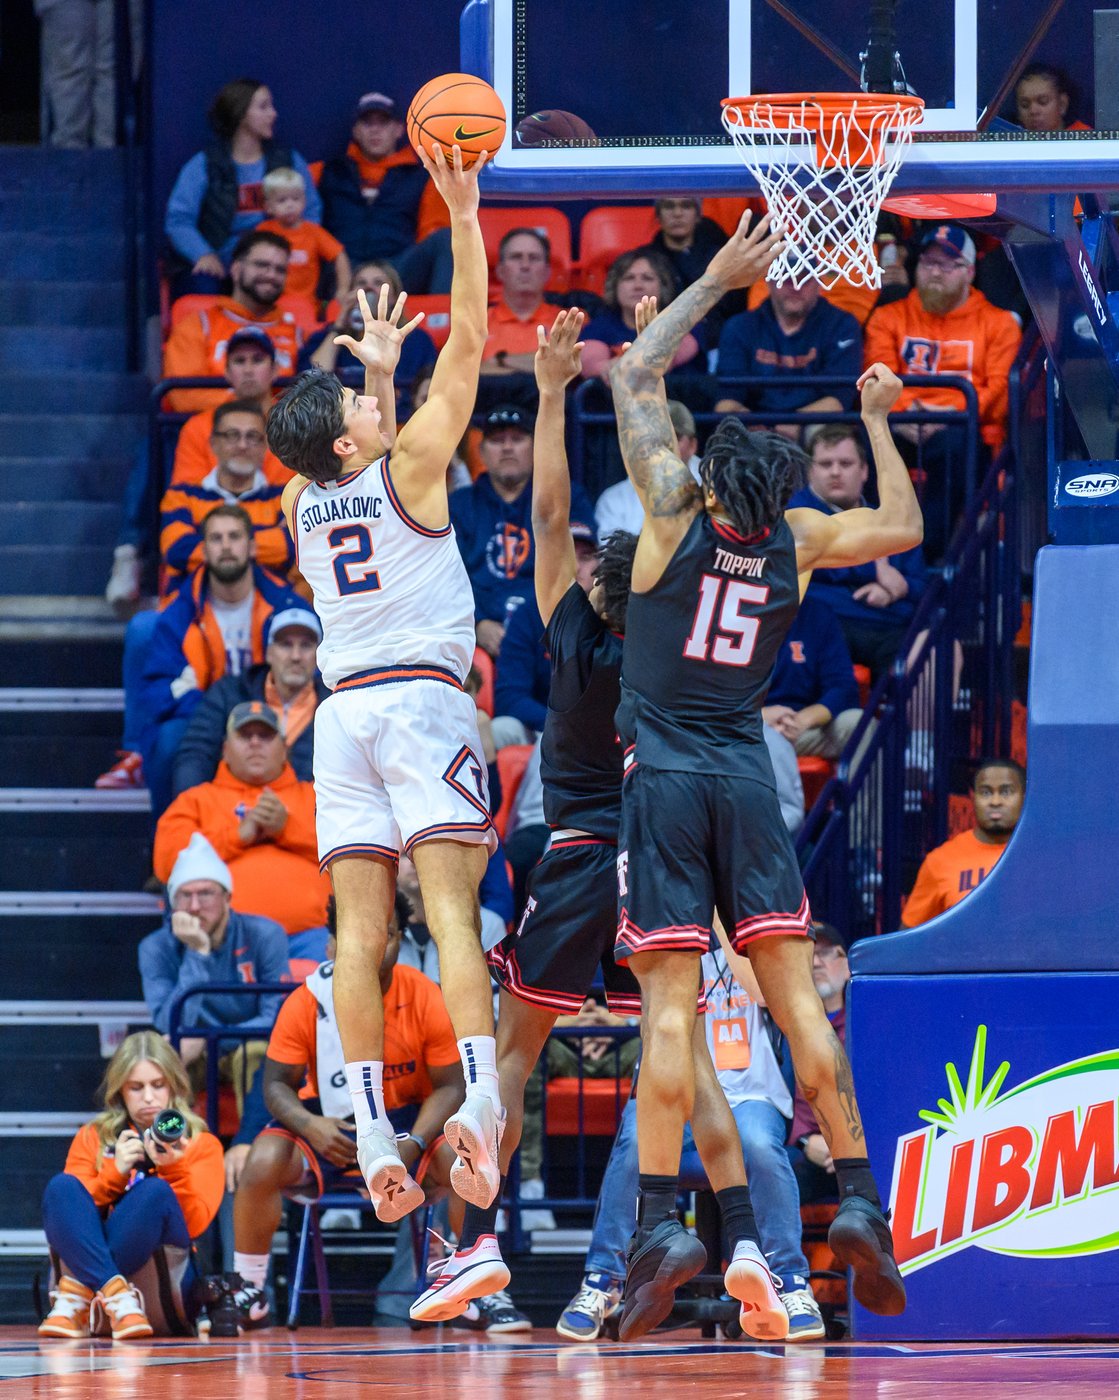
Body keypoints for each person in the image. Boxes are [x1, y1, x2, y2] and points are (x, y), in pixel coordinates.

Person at [606, 213, 925, 1337]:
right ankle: (860, 1198)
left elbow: (633, 368)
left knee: (670, 1006)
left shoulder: (665, 518)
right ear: (779, 485)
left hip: (668, 781)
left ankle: (657, 1219)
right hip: (749, 774)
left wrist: (717, 285)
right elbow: (900, 520)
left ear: (699, 472)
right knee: (795, 998)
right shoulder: (793, 536)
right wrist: (879, 420)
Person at [264, 144, 507, 1227]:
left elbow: (349, 452)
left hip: (341, 712)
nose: (375, 410)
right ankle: (487, 1101)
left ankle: (368, 1132)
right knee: (451, 913)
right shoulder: (410, 467)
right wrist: (461, 210)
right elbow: (473, 335)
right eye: (361, 409)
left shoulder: (294, 505)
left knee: (357, 937)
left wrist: (371, 377)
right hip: (420, 700)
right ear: (353, 435)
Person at [226, 892, 476, 1329]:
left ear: (401, 940)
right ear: (332, 944)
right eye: (362, 933)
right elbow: (275, 1085)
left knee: (462, 1159)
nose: (376, 944)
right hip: (330, 1126)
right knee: (262, 1159)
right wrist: (310, 1125)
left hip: (408, 1121)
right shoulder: (306, 1000)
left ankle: (470, 1284)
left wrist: (416, 1142)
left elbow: (452, 1085)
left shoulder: (425, 995)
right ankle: (251, 1289)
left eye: (389, 933)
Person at [558, 934, 824, 1343]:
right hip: (675, 1096)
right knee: (634, 1145)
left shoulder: (753, 932)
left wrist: (721, 917)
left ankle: (790, 1282)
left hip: (750, 1094)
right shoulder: (666, 930)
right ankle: (601, 1282)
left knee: (760, 1148)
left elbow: (764, 992)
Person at [37, 1033, 223, 1340]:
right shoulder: (93, 1136)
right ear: (120, 1091)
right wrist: (115, 1173)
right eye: (136, 1088)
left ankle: (78, 1294)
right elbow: (69, 1215)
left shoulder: (202, 1143)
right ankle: (117, 1295)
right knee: (61, 1187)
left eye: (158, 1085)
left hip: (164, 1282)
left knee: (155, 1193)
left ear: (174, 1086)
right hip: (120, 1293)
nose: (148, 1097)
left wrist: (173, 1167)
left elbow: (194, 1225)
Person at [130, 505, 305, 816]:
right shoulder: (179, 614)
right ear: (204, 549)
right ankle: (174, 844)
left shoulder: (284, 605)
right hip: (201, 713)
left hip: (275, 711)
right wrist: (213, 715)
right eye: (216, 538)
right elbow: (158, 691)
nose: (226, 546)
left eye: (235, 537)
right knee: (169, 740)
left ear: (252, 547)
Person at [105, 326, 292, 615]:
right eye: (239, 361)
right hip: (198, 594)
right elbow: (176, 545)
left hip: (272, 594)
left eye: (257, 360)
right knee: (144, 630)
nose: (241, 445)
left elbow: (292, 544)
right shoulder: (195, 445)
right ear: (214, 443)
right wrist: (249, 546)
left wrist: (218, 547)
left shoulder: (294, 435)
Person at [863, 225, 1022, 560]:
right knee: (862, 441)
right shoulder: (887, 317)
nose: (935, 272)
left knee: (956, 450)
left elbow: (998, 395)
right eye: (928, 263)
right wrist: (908, 412)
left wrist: (945, 414)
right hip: (902, 423)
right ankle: (866, 547)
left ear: (969, 271)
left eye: (947, 264)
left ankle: (925, 557)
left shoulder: (999, 324)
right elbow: (877, 375)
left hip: (964, 431)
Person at [153, 702, 331, 962]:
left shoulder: (318, 797)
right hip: (223, 942)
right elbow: (169, 863)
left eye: (266, 736)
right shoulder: (196, 801)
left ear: (285, 750)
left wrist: (287, 829)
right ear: (225, 749)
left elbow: (351, 855)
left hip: (314, 939)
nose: (255, 743)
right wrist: (239, 835)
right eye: (245, 735)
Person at [138, 833, 290, 1100]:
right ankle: (170, 1140)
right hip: (194, 1052)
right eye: (185, 896)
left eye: (206, 893)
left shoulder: (265, 935)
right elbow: (166, 1021)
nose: (195, 907)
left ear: (227, 898)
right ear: (173, 904)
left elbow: (275, 1018)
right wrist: (197, 953)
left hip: (249, 1045)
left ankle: (253, 1141)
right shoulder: (155, 947)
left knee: (253, 1053)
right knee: (161, 1058)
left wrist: (211, 1038)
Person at [450, 403, 596, 660]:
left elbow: (581, 566)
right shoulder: (458, 505)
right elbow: (446, 576)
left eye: (517, 439)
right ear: (481, 452)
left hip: (550, 630)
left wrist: (533, 625)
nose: (507, 447)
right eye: (497, 440)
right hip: (475, 639)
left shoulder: (564, 497)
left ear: (535, 448)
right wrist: (476, 622)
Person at [789, 425, 926, 681]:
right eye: (825, 464)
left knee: (928, 644)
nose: (836, 472)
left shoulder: (889, 522)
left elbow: (921, 586)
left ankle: (912, 723)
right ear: (810, 471)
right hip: (821, 628)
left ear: (864, 471)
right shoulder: (797, 513)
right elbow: (808, 582)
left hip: (886, 627)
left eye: (846, 463)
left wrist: (898, 588)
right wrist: (876, 569)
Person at [164, 78, 321, 294]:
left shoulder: (288, 160)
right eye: (263, 107)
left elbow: (311, 211)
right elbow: (179, 220)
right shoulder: (206, 163)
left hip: (275, 260)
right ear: (241, 114)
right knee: (201, 286)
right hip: (223, 260)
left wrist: (296, 249)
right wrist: (202, 254)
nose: (273, 114)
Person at [173, 609, 326, 796]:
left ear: (319, 655)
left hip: (310, 816)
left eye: (306, 646)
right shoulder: (228, 692)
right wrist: (195, 813)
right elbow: (196, 754)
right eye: (285, 645)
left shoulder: (336, 703)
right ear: (269, 653)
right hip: (233, 811)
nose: (296, 656)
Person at [318, 91, 453, 292]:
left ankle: (442, 320)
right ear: (355, 130)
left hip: (397, 269)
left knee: (447, 238)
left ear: (399, 130)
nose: (375, 130)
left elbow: (431, 233)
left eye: (383, 122)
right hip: (343, 267)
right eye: (367, 123)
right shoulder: (327, 171)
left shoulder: (424, 177)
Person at [162, 230, 304, 413]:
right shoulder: (198, 325)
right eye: (262, 265)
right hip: (209, 436)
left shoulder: (297, 334)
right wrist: (257, 404)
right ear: (236, 270)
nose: (271, 275)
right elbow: (183, 397)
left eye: (280, 270)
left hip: (279, 438)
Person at [158, 400, 291, 593]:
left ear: (265, 447)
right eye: (232, 436)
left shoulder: (286, 500)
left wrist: (209, 548)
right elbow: (176, 550)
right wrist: (262, 545)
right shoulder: (180, 496)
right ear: (213, 444)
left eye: (253, 437)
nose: (243, 445)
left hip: (268, 609)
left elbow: (290, 548)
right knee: (143, 624)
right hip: (192, 611)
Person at [491, 523, 598, 748]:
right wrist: (562, 725)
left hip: (601, 731)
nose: (577, 566)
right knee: (500, 729)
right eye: (567, 555)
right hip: (543, 727)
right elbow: (509, 697)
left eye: (586, 557)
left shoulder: (615, 614)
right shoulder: (528, 614)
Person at [714, 277, 862, 436]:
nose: (795, 287)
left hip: (813, 425)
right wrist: (754, 426)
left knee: (828, 434)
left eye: (804, 280)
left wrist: (794, 422)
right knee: (729, 427)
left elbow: (839, 399)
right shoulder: (739, 326)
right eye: (786, 280)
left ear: (818, 283)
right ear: (769, 283)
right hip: (755, 427)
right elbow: (727, 399)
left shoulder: (842, 324)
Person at [901, 759, 1025, 926]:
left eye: (1006, 792)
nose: (995, 801)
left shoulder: (1045, 859)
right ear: (973, 797)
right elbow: (908, 937)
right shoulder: (940, 862)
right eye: (986, 792)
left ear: (1024, 796)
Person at [303, 260, 437, 408]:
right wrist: (339, 325)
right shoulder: (326, 337)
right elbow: (312, 384)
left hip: (399, 422)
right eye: (361, 283)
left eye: (378, 283)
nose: (368, 288)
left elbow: (426, 394)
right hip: (338, 423)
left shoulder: (417, 340)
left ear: (393, 298)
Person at [786, 923, 849, 1204]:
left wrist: (850, 1145)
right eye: (808, 954)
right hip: (807, 1149)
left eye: (825, 952)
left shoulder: (872, 1022)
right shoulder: (787, 1025)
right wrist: (805, 1141)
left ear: (847, 965)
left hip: (864, 1147)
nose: (815, 961)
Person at [763, 594, 862, 763]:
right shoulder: (732, 612)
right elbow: (713, 696)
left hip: (801, 727)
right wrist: (761, 716)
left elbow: (843, 687)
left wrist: (803, 720)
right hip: (749, 728)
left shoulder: (817, 613)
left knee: (857, 723)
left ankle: (865, 791)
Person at [580, 248, 700, 381]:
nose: (638, 286)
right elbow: (590, 363)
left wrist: (625, 366)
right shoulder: (599, 326)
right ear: (615, 287)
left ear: (663, 286)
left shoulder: (684, 323)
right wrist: (606, 368)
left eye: (647, 278)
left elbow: (665, 359)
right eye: (629, 278)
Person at [595, 400, 701, 540]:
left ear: (692, 445)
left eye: (674, 436)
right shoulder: (614, 502)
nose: (663, 445)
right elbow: (612, 559)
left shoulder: (718, 491)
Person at [257, 167, 352, 305]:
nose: (290, 205)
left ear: (304, 201)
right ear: (268, 206)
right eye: (282, 200)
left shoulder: (314, 232)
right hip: (269, 302)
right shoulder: (263, 231)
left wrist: (343, 289)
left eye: (295, 199)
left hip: (305, 303)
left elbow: (339, 255)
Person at [481, 228, 559, 375]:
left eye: (534, 258)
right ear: (500, 271)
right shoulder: (476, 323)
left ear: (547, 272)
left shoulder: (570, 320)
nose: (525, 266)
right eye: (516, 257)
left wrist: (500, 360)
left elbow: (560, 368)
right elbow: (466, 373)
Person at [1014, 62, 1090, 132]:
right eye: (1025, 105)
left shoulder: (1085, 139)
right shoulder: (1011, 140)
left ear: (1062, 104)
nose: (1033, 111)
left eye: (1043, 102)